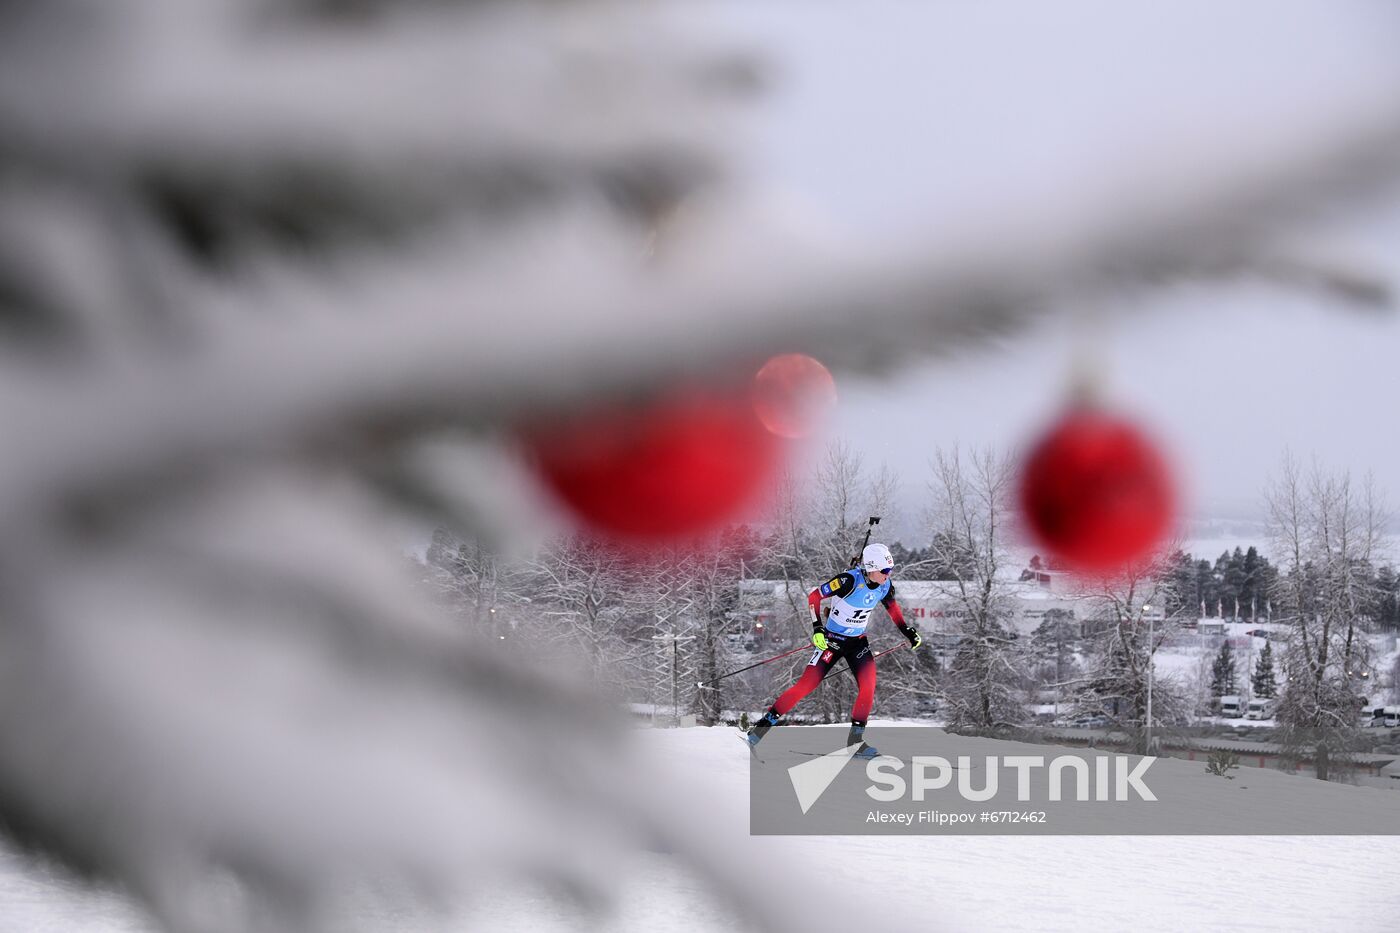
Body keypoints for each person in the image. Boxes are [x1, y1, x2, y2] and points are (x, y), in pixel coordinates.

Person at [745, 543, 921, 758]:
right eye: (885, 571)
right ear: (872, 567)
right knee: (805, 686)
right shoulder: (848, 581)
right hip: (832, 640)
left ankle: (855, 743)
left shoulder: (885, 586)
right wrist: (817, 629)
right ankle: (756, 734)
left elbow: (894, 611)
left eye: (890, 570)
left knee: (868, 687)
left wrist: (908, 632)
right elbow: (814, 597)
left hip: (857, 642)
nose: (888, 575)